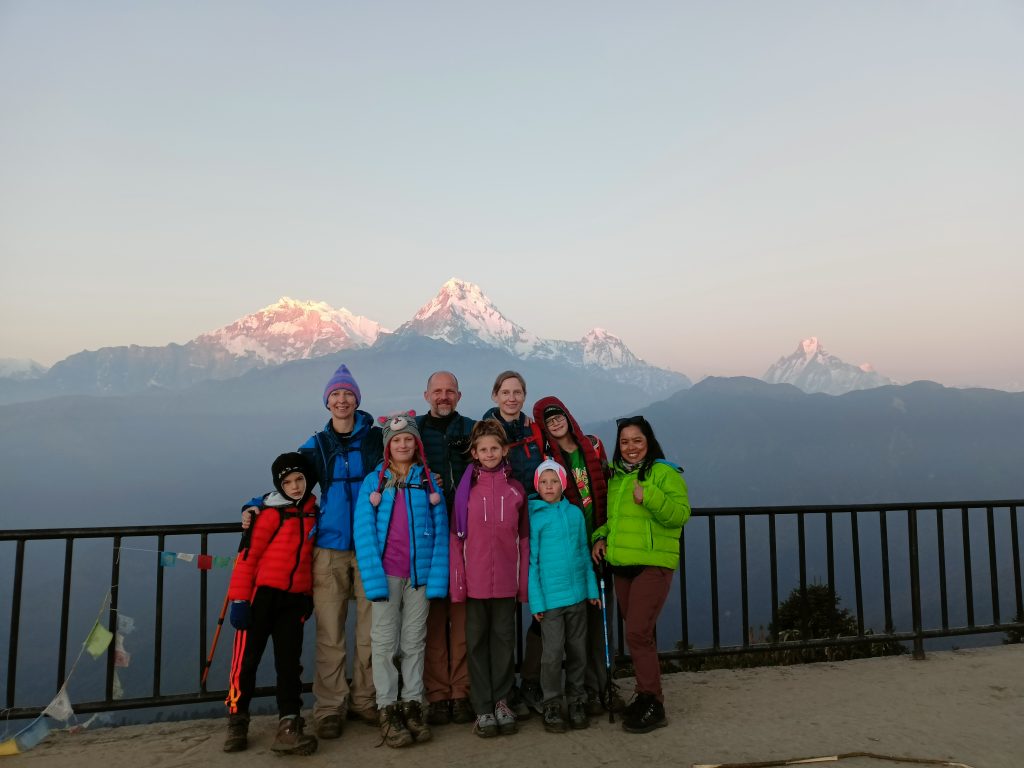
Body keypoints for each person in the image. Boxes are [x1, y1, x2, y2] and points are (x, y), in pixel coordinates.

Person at [241, 363, 382, 739]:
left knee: (370, 631)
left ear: (357, 400)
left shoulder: (376, 440)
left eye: (347, 393)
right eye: (335, 395)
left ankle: (365, 699)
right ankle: (331, 707)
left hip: (370, 545)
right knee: (330, 632)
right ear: (327, 402)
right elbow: (289, 482)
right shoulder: (317, 445)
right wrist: (255, 504)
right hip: (329, 548)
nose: (342, 400)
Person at [353, 412, 449, 749]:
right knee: (383, 642)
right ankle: (387, 707)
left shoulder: (429, 482)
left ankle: (412, 703)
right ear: (387, 446)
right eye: (397, 440)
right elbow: (364, 533)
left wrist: (437, 579)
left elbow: (440, 533)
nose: (403, 445)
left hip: (419, 577)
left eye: (409, 439)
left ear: (417, 444)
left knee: (414, 642)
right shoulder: (374, 483)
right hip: (386, 574)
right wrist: (373, 579)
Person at [591, 416, 690, 734]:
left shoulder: (664, 473)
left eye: (637, 440)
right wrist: (600, 537)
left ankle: (654, 702)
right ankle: (645, 695)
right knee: (639, 633)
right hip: (622, 564)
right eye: (624, 442)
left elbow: (680, 515)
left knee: (636, 632)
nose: (630, 447)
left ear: (649, 441)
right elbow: (613, 519)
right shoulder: (616, 477)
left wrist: (649, 496)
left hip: (653, 563)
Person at [224, 453, 319, 756]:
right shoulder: (268, 514)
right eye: (288, 482)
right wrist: (240, 600)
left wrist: (307, 596)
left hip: (294, 600)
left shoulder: (314, 511)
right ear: (279, 485)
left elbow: (310, 559)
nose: (295, 486)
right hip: (260, 598)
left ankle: (289, 724)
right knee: (246, 661)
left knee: (289, 664)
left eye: (300, 479)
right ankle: (237, 719)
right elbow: (247, 558)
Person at [532, 396, 620, 715]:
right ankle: (571, 693)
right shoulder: (547, 459)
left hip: (597, 547)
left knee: (597, 623)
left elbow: (610, 487)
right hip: (566, 554)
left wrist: (604, 535)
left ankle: (600, 687)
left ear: (569, 417)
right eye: (548, 421)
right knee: (567, 634)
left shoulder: (592, 447)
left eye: (559, 417)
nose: (555, 423)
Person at [449, 419, 529, 738]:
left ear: (505, 450)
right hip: (475, 583)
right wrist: (458, 585)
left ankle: (502, 702)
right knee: (477, 644)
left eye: (495, 448)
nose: (490, 453)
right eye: (483, 449)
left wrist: (523, 585)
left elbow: (524, 540)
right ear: (475, 453)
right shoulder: (465, 491)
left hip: (507, 583)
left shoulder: (516, 490)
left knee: (504, 643)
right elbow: (457, 540)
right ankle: (482, 707)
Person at [416, 371, 476, 726]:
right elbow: (393, 466)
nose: (443, 397)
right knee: (435, 619)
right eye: (437, 391)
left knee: (463, 618)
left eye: (449, 391)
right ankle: (438, 694)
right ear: (426, 395)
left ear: (459, 395)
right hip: (429, 537)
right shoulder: (414, 432)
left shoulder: (473, 429)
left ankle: (461, 691)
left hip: (468, 535)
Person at [528, 459, 599, 733]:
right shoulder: (535, 517)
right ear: (537, 486)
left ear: (563, 484)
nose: (549, 486)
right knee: (552, 654)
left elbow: (583, 552)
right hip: (550, 601)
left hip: (578, 596)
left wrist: (591, 589)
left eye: (554, 481)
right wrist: (537, 601)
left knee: (578, 651)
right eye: (544, 482)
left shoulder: (575, 514)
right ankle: (552, 703)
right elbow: (532, 563)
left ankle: (577, 700)